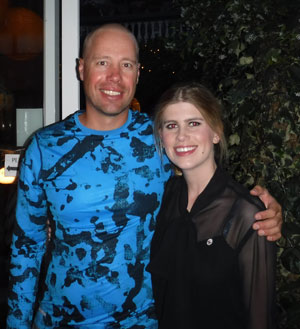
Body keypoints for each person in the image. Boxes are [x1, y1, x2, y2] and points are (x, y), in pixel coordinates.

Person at [6, 24, 281, 329]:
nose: (115, 76)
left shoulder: (158, 138)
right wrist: (17, 324)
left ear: (137, 74)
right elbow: (26, 248)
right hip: (60, 321)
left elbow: (206, 183)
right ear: (81, 69)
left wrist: (261, 210)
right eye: (102, 62)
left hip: (145, 322)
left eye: (126, 65)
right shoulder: (44, 148)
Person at [147, 82, 277, 329]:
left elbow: (261, 319)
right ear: (161, 137)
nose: (181, 136)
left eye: (194, 123)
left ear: (216, 132)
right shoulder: (167, 196)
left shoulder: (247, 213)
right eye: (171, 126)